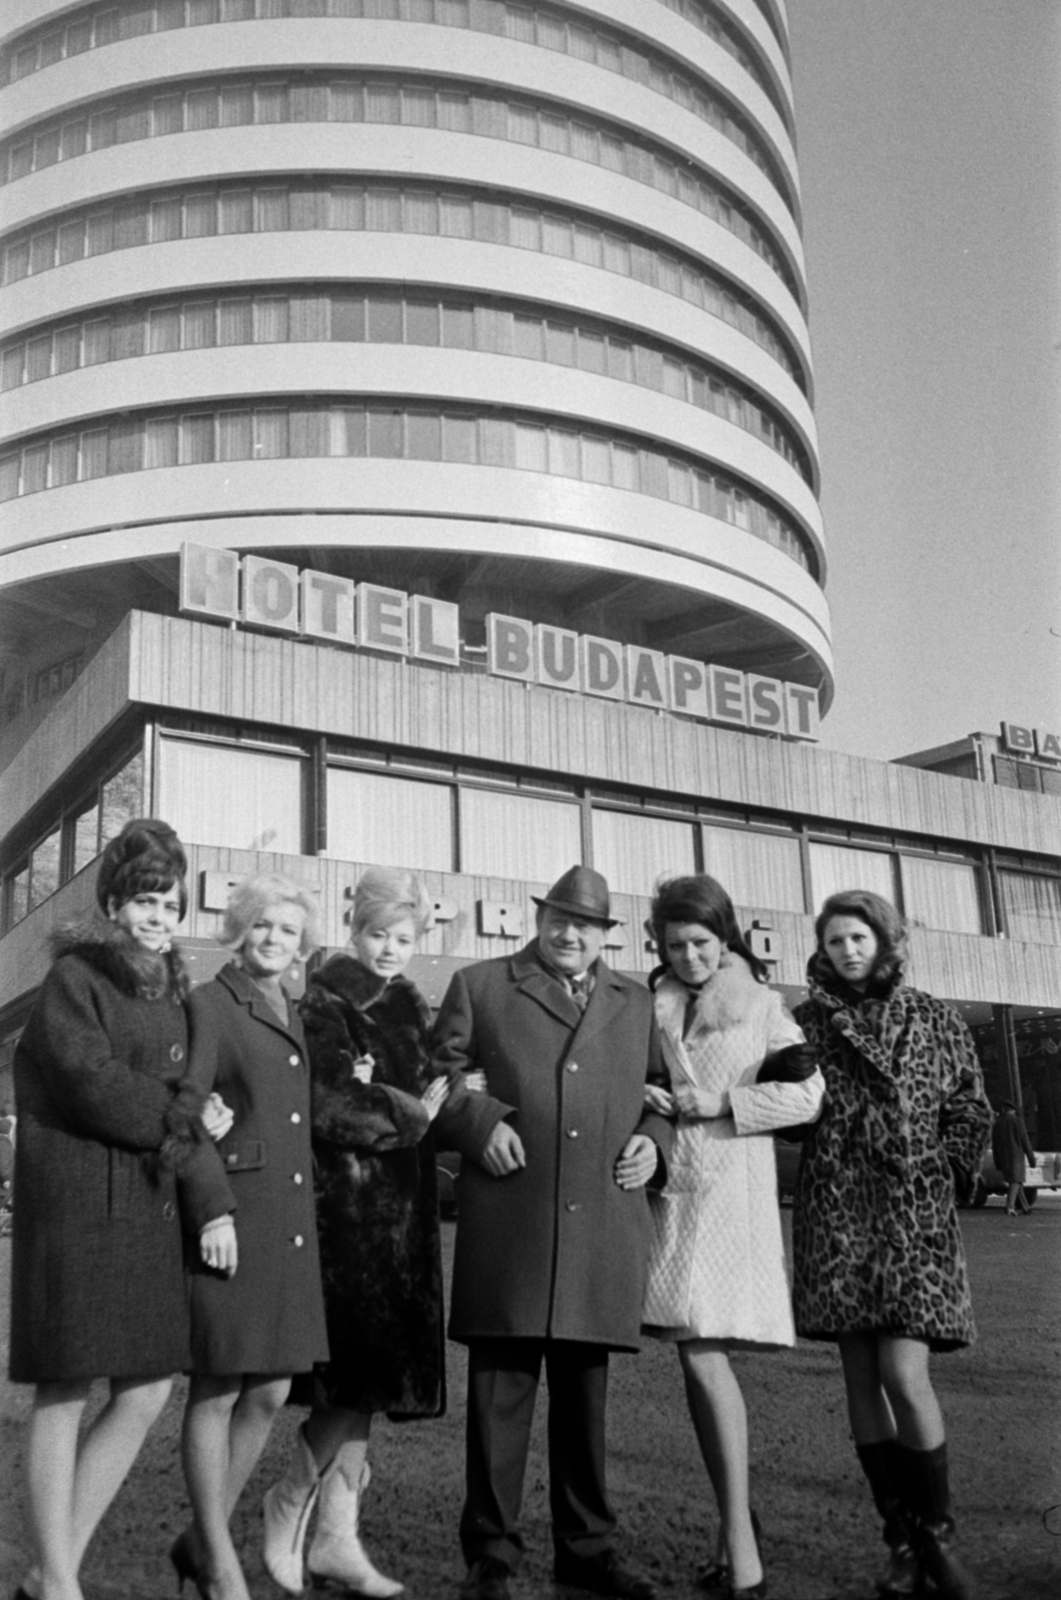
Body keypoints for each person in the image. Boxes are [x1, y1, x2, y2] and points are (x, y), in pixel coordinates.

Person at [432, 865, 674, 1600]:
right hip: (514, 1220)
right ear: (536, 921)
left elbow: (660, 1096)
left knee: (583, 1398)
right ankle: (490, 1555)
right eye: (559, 920)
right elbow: (434, 1080)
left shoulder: (636, 1004)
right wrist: (478, 1124)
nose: (571, 934)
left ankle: (586, 1551)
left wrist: (654, 1140)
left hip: (599, 1220)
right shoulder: (479, 985)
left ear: (606, 935)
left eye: (587, 925)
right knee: (499, 1398)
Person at [8, 819, 233, 1600]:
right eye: (145, 900)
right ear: (113, 900)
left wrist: (203, 1114)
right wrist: (182, 1113)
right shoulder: (76, 978)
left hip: (142, 1210)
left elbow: (186, 1097)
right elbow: (87, 1079)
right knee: (65, 1388)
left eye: (170, 904)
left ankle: (50, 1567)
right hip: (75, 1210)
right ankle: (61, 1579)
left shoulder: (173, 988)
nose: (159, 917)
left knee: (144, 1390)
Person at [792, 890, 992, 1600]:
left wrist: (952, 1162)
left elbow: (971, 1100)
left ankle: (938, 1539)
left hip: (912, 1217)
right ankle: (900, 1542)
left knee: (905, 1376)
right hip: (839, 1216)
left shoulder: (933, 1017)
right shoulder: (805, 1023)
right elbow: (787, 1108)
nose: (848, 950)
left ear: (884, 940)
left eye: (859, 938)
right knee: (858, 1379)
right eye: (836, 939)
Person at [262, 865, 451, 1599]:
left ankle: (337, 1538)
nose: (389, 949)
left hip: (403, 1223)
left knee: (370, 1384)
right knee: (350, 1377)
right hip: (346, 1219)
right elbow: (330, 1100)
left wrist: (446, 1106)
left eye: (403, 938)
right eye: (378, 934)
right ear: (355, 930)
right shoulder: (326, 1000)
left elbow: (438, 1089)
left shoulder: (409, 1005)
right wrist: (407, 1112)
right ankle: (288, 1502)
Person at [640, 875, 824, 1599]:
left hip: (727, 1198)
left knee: (702, 1358)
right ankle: (732, 1531)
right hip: (670, 1193)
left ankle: (742, 1547)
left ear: (725, 939)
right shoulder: (650, 1006)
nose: (688, 957)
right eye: (674, 944)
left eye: (701, 944)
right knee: (695, 1359)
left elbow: (808, 1095)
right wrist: (646, 1097)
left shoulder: (761, 1006)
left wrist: (719, 1100)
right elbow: (638, 1080)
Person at [172, 873, 329, 1600]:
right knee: (217, 1386)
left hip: (288, 1224)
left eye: (289, 931)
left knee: (270, 1390)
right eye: (263, 925)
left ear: (303, 946)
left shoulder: (289, 1008)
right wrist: (212, 1210)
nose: (275, 940)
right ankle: (218, 1561)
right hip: (235, 1217)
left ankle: (197, 1544)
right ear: (240, 928)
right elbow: (187, 1111)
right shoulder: (209, 1002)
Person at [991, 1100, 1036, 1215]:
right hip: (1016, 1157)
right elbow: (1025, 1142)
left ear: (1003, 1110)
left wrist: (997, 1162)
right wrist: (1032, 1159)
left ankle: (1026, 1207)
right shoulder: (1018, 1122)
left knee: (1016, 1181)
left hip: (1003, 1157)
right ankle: (1009, 1207)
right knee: (1016, 1181)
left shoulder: (998, 1123)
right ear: (1014, 1110)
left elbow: (995, 1145)